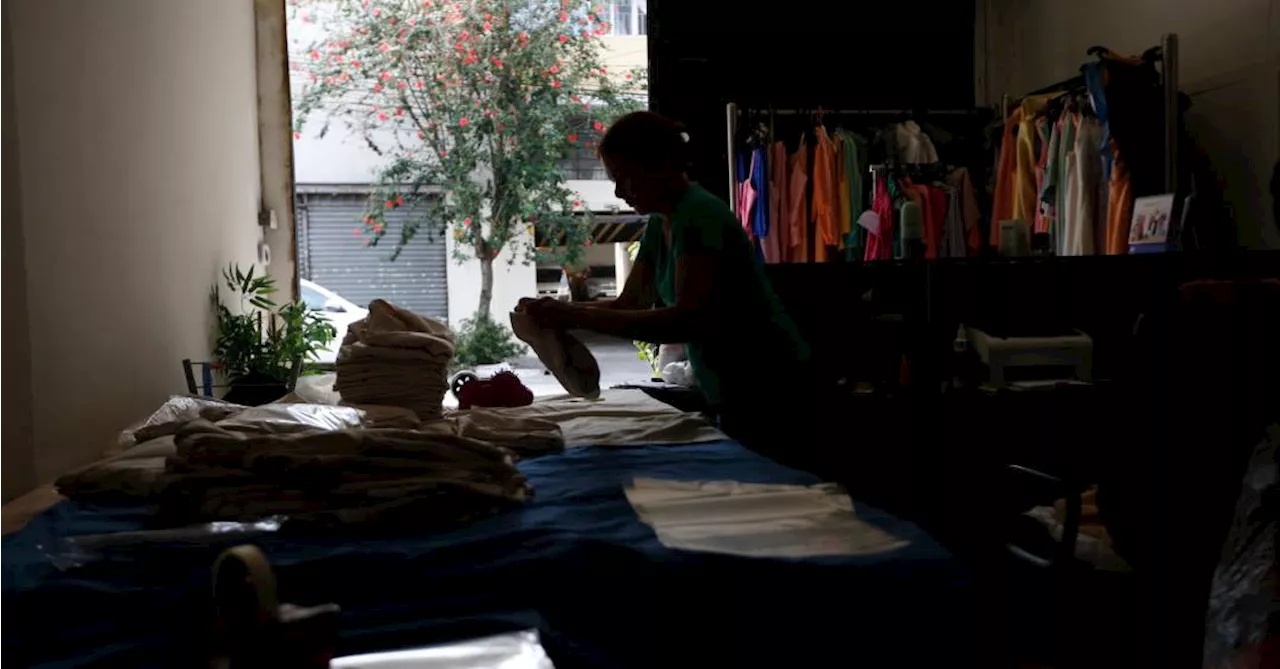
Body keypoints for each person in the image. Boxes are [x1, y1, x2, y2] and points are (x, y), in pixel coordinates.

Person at [520, 111, 814, 462]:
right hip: (730, 387)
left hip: (771, 383)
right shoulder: (663, 222)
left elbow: (685, 322)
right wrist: (561, 313)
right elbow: (631, 302)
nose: (617, 191)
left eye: (623, 178)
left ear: (656, 167)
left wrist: (571, 316)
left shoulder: (701, 216)